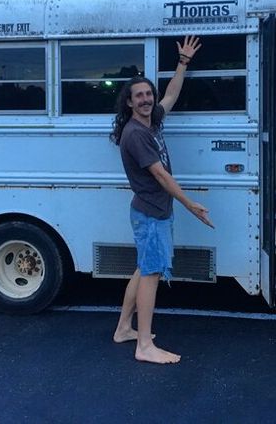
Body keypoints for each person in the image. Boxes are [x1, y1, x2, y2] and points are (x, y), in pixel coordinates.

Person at [110, 35, 214, 364]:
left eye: (147, 94)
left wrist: (183, 63)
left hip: (150, 211)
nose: (145, 99)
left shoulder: (151, 119)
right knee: (151, 275)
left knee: (144, 269)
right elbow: (161, 175)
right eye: (138, 95)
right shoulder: (136, 134)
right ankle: (144, 345)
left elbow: (171, 95)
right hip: (153, 214)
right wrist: (190, 204)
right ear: (128, 102)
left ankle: (124, 328)